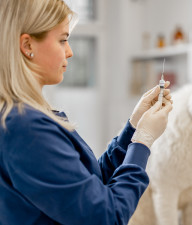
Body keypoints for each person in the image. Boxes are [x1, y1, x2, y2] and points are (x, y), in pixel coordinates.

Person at [0, 0, 173, 224]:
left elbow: (90, 187)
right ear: (28, 45)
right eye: (62, 40)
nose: (70, 52)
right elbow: (106, 216)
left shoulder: (25, 115)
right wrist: (143, 142)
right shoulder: (26, 128)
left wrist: (133, 127)